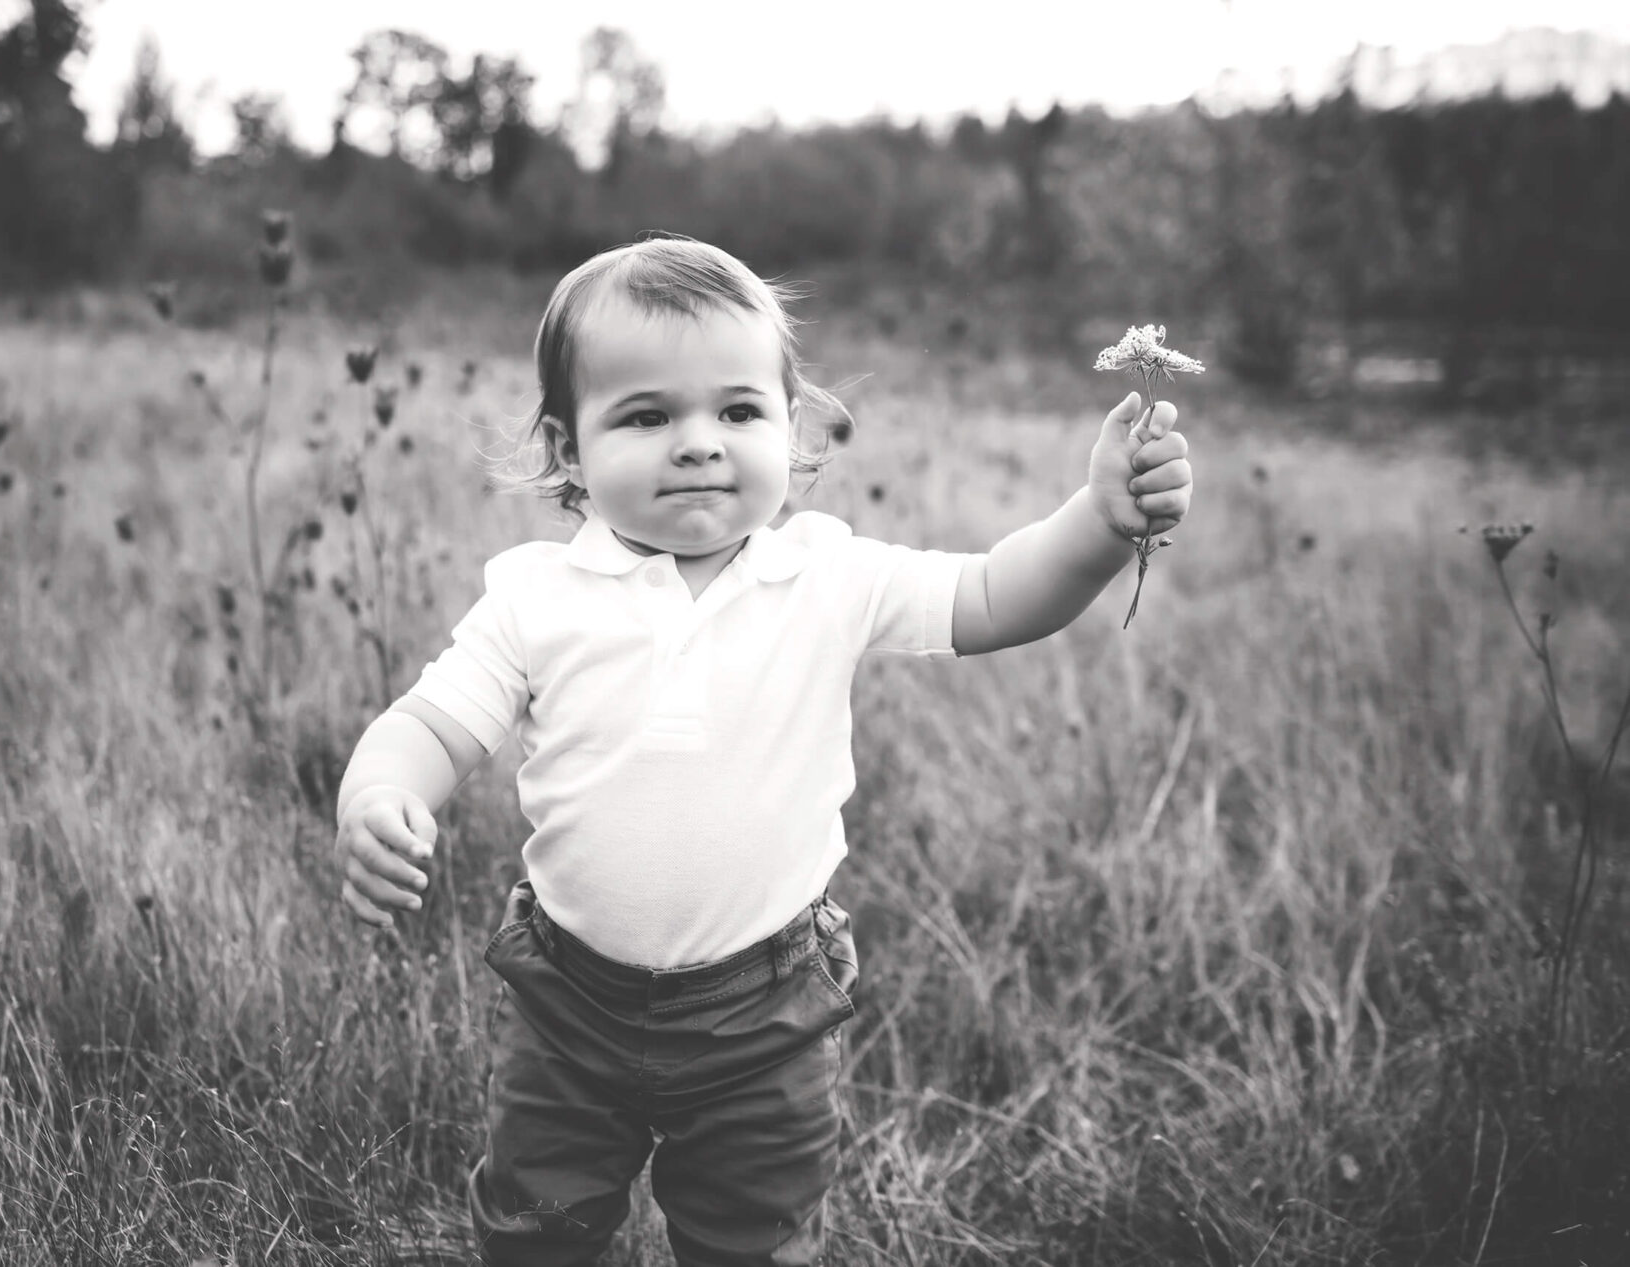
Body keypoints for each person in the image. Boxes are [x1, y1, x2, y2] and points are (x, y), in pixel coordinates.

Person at [333, 235, 1193, 1265]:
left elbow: (996, 596)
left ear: (788, 430)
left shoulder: (825, 577)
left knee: (751, 1238)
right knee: (534, 1224)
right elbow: (432, 723)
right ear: (568, 449)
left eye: (738, 412)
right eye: (647, 416)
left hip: (764, 1010)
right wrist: (381, 788)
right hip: (571, 1005)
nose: (699, 443)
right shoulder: (536, 597)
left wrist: (1099, 522)